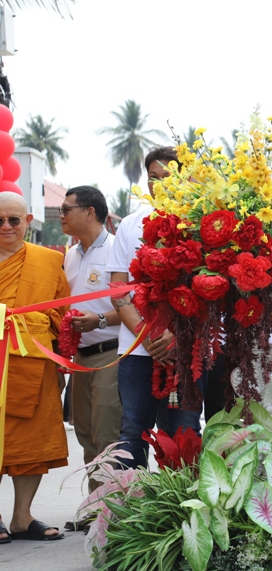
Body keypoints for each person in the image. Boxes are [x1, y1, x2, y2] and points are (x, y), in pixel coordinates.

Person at [109, 146, 204, 469]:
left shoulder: (203, 225)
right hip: (136, 351)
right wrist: (146, 335)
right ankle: (133, 512)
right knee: (133, 431)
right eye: (153, 178)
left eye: (168, 176)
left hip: (187, 350)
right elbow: (119, 292)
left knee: (183, 431)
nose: (159, 184)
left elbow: (213, 297)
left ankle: (180, 512)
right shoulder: (130, 225)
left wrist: (177, 336)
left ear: (185, 179)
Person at [0, 191, 70, 542]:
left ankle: (22, 517)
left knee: (32, 443)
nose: (6, 227)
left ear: (28, 221)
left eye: (14, 220)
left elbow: (62, 312)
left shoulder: (47, 260)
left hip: (34, 363)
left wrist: (40, 325)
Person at [61, 186, 123, 504]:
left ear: (90, 212)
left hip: (110, 353)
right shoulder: (69, 255)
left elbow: (133, 305)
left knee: (106, 433)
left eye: (66, 209)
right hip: (79, 358)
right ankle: (96, 503)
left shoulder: (117, 251)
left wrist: (98, 321)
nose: (61, 216)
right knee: (85, 432)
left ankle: (111, 509)